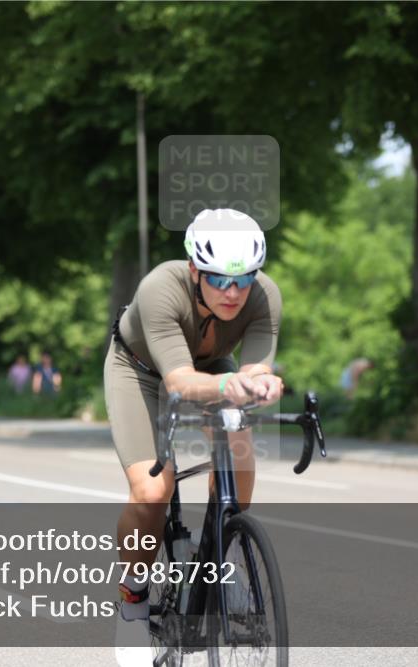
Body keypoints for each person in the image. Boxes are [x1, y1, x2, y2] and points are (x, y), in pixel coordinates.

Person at [105, 208, 283, 666]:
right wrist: (232, 385)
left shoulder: (265, 296)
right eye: (220, 279)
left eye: (243, 280)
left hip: (212, 368)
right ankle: (133, 602)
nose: (233, 292)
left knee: (239, 456)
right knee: (152, 490)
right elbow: (179, 382)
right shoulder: (160, 288)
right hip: (141, 371)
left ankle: (220, 559)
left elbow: (254, 369)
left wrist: (263, 384)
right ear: (194, 269)